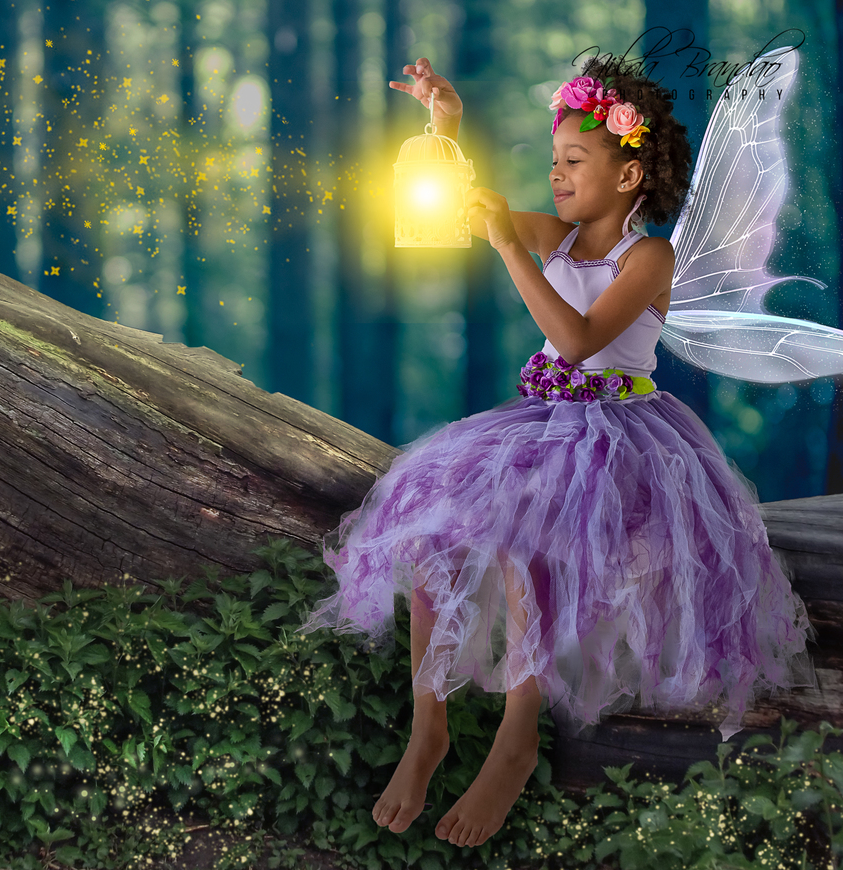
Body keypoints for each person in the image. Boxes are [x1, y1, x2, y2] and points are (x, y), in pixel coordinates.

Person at [296, 56, 818, 849]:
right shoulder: (562, 236)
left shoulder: (649, 259)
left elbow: (576, 341)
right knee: (433, 525)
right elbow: (470, 215)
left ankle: (518, 729)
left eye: (576, 161)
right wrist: (446, 132)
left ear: (630, 172)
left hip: (622, 438)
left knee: (529, 540)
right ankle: (427, 723)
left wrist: (514, 249)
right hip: (538, 423)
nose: (558, 174)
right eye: (553, 162)